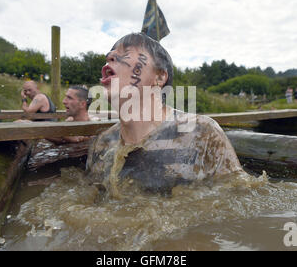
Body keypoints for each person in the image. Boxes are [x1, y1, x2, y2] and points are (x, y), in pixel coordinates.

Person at [86, 32, 244, 195]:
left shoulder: (201, 134)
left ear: (160, 77)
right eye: (111, 53)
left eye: (125, 53)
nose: (109, 56)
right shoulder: (102, 144)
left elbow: (239, 194)